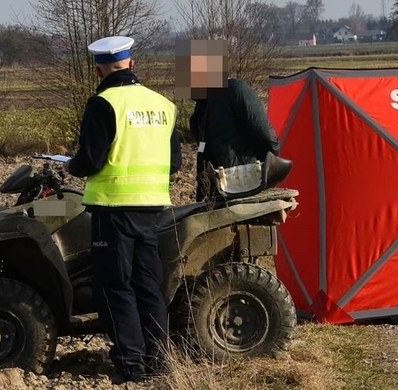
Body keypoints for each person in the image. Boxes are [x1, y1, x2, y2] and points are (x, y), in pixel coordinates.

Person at [65, 35, 180, 383]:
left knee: (116, 286)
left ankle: (131, 366)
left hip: (113, 210)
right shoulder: (164, 105)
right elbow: (174, 164)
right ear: (131, 62)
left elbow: (90, 160)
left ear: (99, 68)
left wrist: (71, 166)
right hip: (152, 210)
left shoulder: (103, 104)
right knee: (148, 285)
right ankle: (160, 361)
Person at [174, 39, 280, 200]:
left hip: (244, 184)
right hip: (214, 192)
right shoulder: (202, 107)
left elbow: (265, 136)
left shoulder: (236, 90)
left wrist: (268, 166)